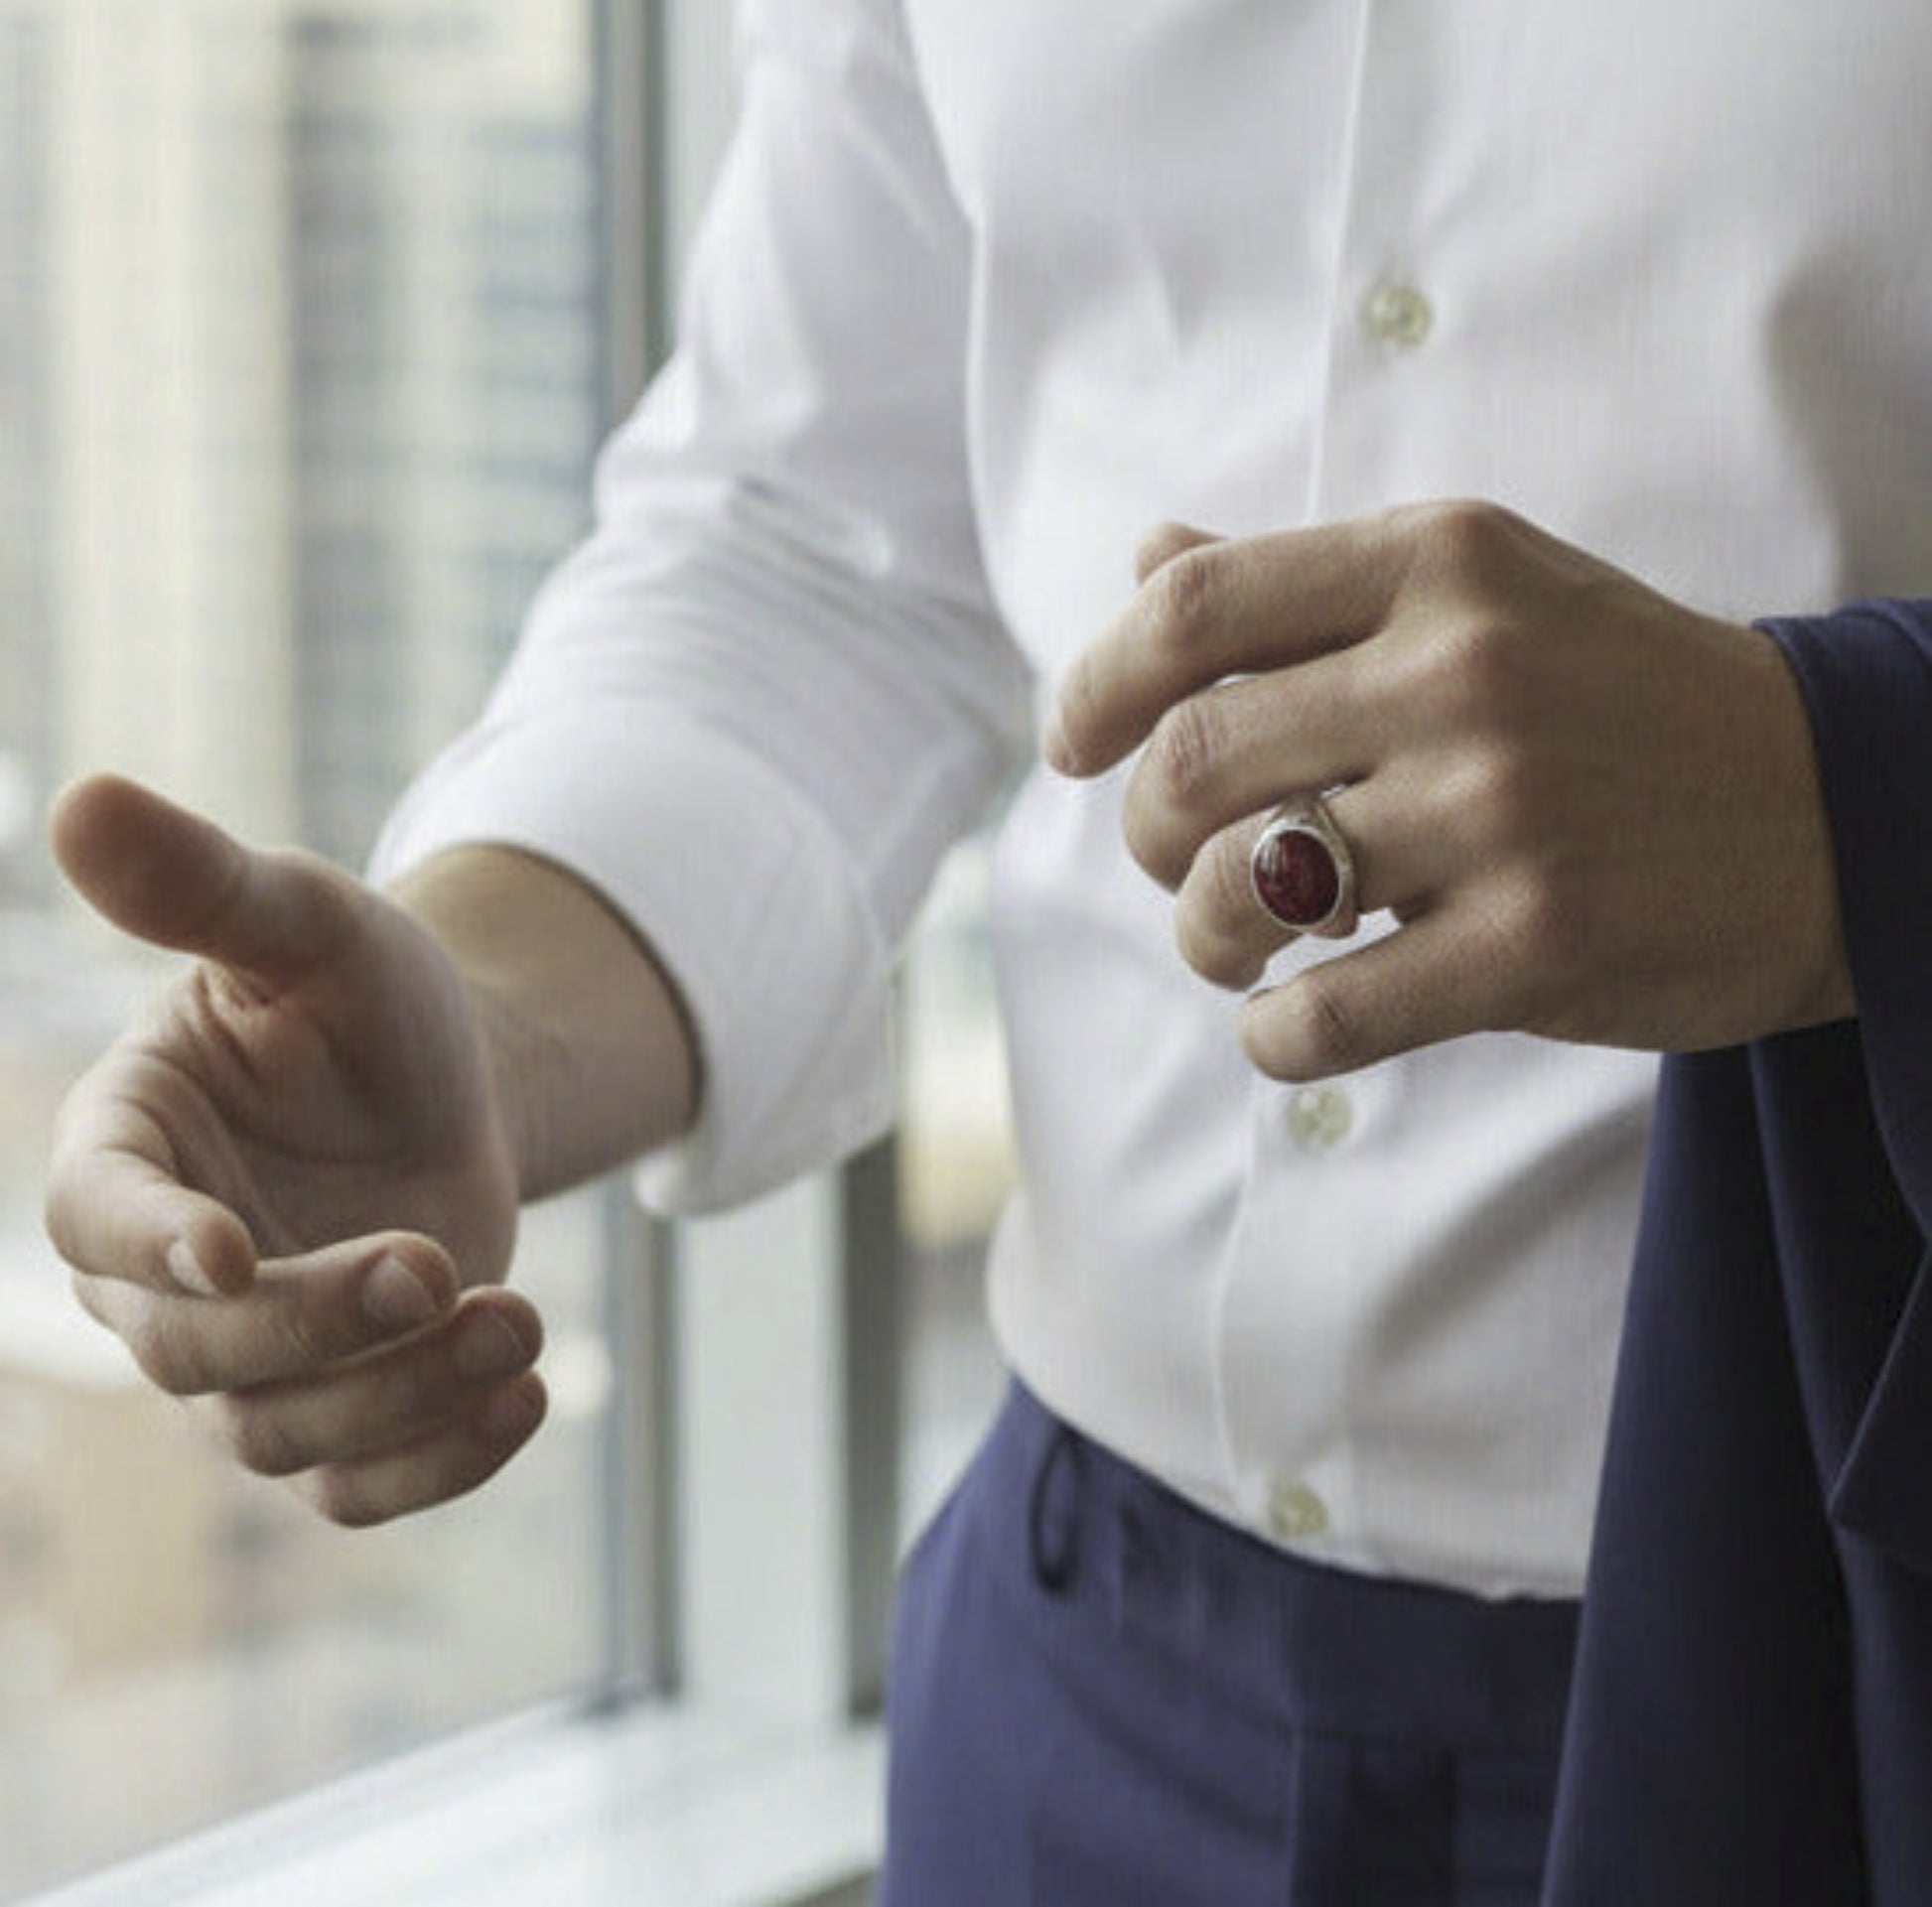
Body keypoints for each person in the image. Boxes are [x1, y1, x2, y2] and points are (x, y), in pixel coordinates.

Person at [43, 3, 1932, 1900]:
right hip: (1071, 1689)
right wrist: (492, 1014)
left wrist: (1828, 804)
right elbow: (818, 542)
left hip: (1843, 1697)